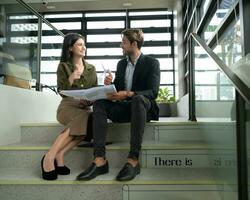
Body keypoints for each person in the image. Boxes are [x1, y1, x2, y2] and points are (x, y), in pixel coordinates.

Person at [77, 28, 160, 181]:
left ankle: (133, 160)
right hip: (125, 108)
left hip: (142, 107)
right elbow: (119, 89)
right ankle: (100, 160)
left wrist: (129, 94)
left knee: (138, 99)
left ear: (134, 44)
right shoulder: (121, 64)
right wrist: (111, 84)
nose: (121, 45)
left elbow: (153, 92)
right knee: (100, 103)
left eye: (123, 42)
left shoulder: (152, 63)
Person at [41, 33, 97, 180]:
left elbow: (95, 92)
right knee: (83, 119)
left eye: (84, 44)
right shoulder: (63, 66)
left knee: (85, 123)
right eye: (79, 44)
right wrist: (71, 78)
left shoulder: (92, 68)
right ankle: (49, 157)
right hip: (67, 107)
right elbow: (62, 92)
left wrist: (91, 100)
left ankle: (60, 155)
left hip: (85, 108)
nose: (83, 47)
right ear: (70, 48)